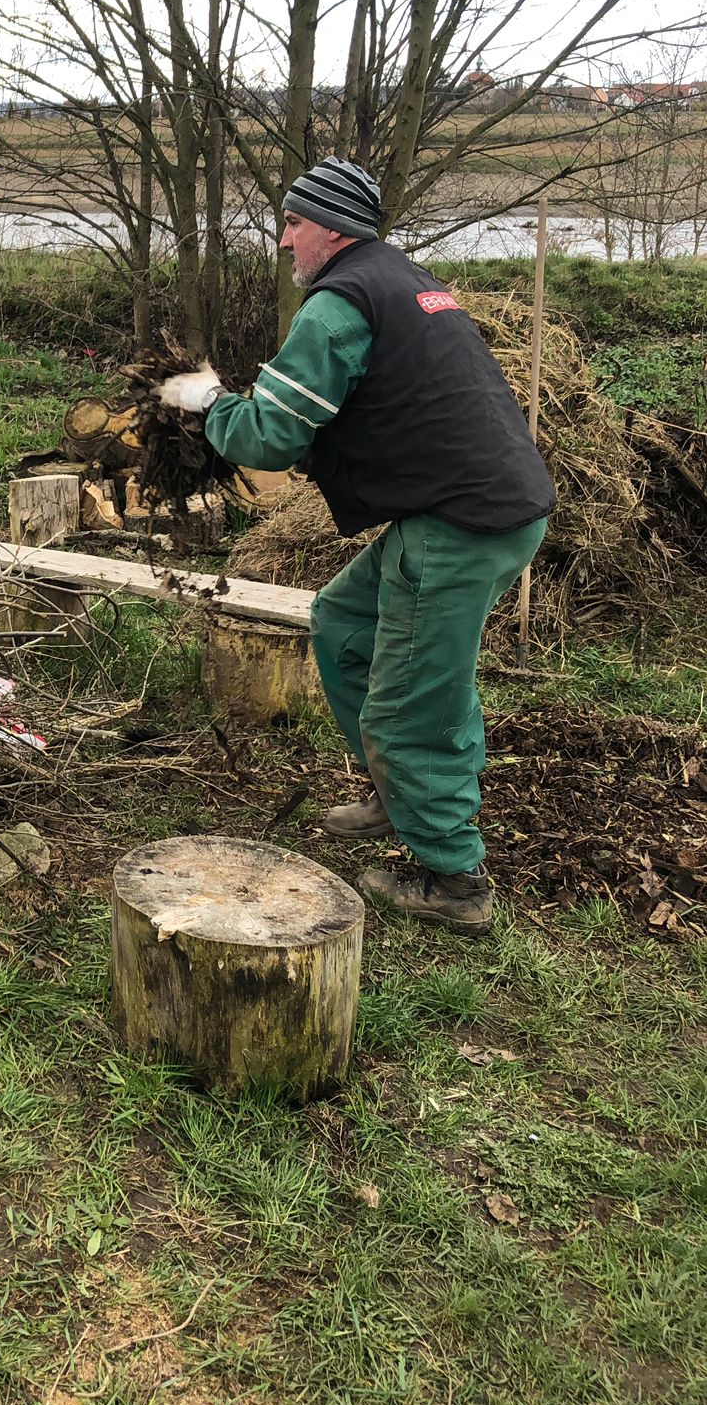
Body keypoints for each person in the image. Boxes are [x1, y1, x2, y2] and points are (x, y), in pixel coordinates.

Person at [159, 157, 555, 934]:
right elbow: (373, 406)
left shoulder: (338, 303)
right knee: (345, 624)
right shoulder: (405, 281)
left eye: (294, 223)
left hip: (457, 526)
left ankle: (454, 880)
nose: (283, 241)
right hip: (487, 507)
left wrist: (209, 403)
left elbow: (269, 437)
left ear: (331, 227)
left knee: (414, 700)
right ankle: (396, 791)